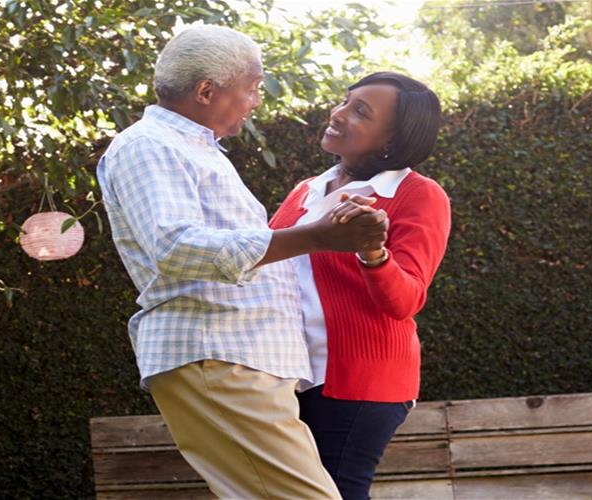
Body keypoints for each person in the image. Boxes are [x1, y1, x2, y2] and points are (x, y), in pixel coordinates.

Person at [96, 25, 386, 499]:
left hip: (239, 355)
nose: (256, 101)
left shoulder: (194, 149)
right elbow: (176, 248)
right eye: (250, 89)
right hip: (217, 351)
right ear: (206, 90)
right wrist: (315, 236)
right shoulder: (148, 145)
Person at [266, 72, 450, 500]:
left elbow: (406, 299)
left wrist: (373, 252)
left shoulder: (417, 195)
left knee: (335, 493)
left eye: (360, 111)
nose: (339, 113)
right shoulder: (307, 191)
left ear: (393, 138)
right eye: (345, 101)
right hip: (293, 374)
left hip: (359, 382)